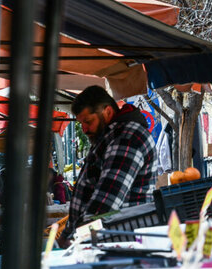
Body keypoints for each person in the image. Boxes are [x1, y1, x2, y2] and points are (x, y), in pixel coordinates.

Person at [65, 85, 158, 241]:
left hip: (119, 241)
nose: (84, 129)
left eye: (88, 121)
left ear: (107, 112)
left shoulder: (127, 138)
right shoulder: (110, 136)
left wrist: (76, 237)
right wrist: (69, 232)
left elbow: (106, 202)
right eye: (81, 123)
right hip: (106, 238)